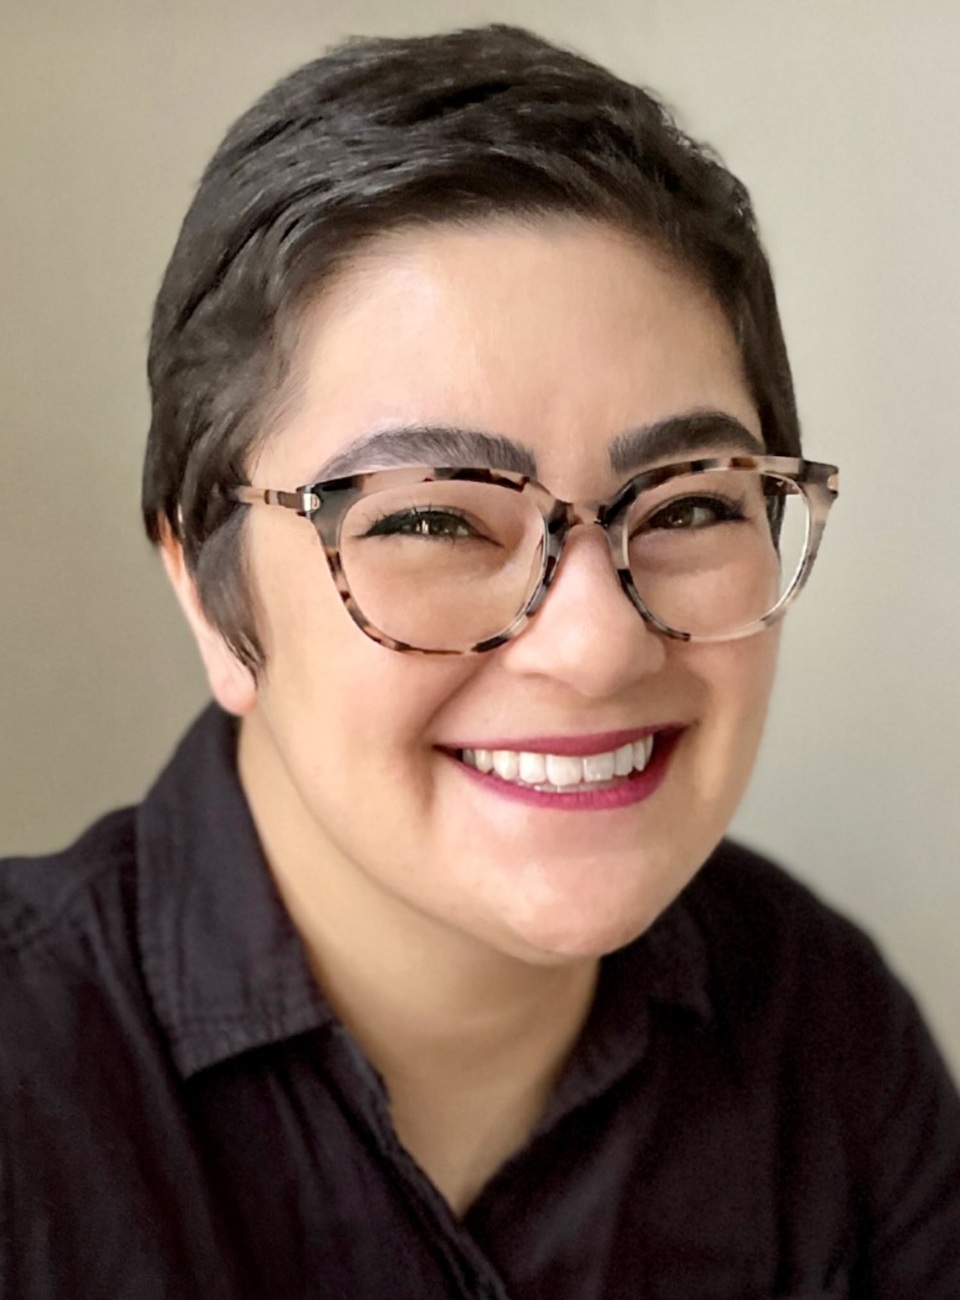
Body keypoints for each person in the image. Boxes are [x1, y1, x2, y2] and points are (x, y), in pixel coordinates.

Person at [1, 23, 958, 1299]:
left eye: (684, 506)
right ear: (206, 594)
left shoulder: (826, 1039)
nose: (597, 644)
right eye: (433, 519)